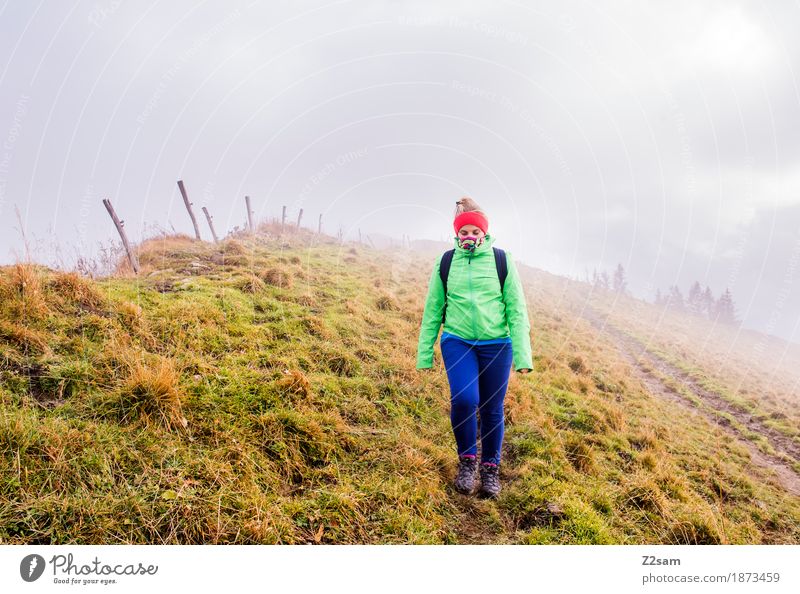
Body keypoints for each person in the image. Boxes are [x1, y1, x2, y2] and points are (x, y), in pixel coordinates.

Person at [416, 198, 533, 499]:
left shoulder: (501, 260)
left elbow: (516, 310)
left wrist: (523, 355)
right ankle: (468, 461)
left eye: (474, 231)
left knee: (492, 409)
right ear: (457, 234)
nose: (468, 236)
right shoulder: (445, 262)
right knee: (466, 400)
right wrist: (424, 353)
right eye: (463, 231)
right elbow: (433, 310)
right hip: (458, 341)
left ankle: (490, 469)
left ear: (483, 233)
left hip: (497, 344)